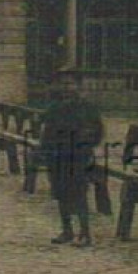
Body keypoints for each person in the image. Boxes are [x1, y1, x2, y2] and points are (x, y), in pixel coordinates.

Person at [39, 74, 105, 246]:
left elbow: (97, 132)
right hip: (57, 156)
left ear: (78, 87)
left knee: (79, 193)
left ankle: (85, 233)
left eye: (70, 84)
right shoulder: (54, 108)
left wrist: (85, 146)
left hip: (77, 156)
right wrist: (45, 151)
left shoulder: (87, 108)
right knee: (61, 193)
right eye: (63, 84)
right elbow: (47, 131)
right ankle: (67, 230)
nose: (66, 87)